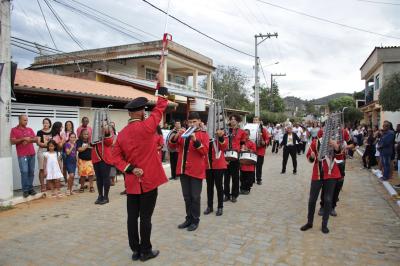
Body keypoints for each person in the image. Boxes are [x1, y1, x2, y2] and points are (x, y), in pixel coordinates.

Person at [112, 64, 168, 262]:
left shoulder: (121, 134)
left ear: (129, 113)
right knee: (146, 218)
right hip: (149, 181)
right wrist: (162, 85)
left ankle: (135, 250)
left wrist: (129, 168)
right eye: (144, 110)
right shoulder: (147, 127)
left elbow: (114, 157)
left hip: (132, 182)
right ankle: (146, 251)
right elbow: (161, 107)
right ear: (142, 111)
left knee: (131, 218)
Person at [169, 112, 209, 231]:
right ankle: (188, 218)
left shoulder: (203, 134)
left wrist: (196, 140)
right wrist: (176, 137)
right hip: (183, 170)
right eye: (190, 122)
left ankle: (195, 220)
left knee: (195, 196)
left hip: (196, 171)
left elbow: (205, 152)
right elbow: (172, 147)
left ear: (199, 122)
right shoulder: (183, 134)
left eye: (194, 122)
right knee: (187, 196)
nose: (191, 124)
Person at [300, 129, 342, 234]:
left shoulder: (334, 142)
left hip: (331, 174)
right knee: (312, 199)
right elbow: (310, 158)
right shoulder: (315, 142)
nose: (326, 134)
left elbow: (340, 157)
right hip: (317, 173)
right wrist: (312, 157)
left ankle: (324, 224)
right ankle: (309, 222)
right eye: (324, 133)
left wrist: (336, 147)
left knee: (328, 200)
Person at [10, 115, 38, 198]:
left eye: (27, 120)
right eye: (24, 120)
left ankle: (30, 188)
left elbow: (36, 139)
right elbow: (12, 141)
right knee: (24, 172)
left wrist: (29, 139)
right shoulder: (14, 130)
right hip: (22, 155)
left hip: (32, 154)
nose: (26, 122)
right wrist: (23, 139)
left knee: (31, 172)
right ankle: (25, 190)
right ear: (19, 120)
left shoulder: (29, 129)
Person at [204, 128, 227, 217]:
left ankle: (220, 207)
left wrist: (220, 137)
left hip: (218, 165)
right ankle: (210, 206)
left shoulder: (223, 136)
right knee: (209, 187)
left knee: (219, 187)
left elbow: (224, 147)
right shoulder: (206, 135)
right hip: (208, 164)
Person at [224, 114, 246, 203]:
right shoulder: (226, 130)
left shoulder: (241, 132)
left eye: (234, 119)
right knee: (226, 177)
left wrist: (243, 148)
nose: (232, 121)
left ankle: (234, 195)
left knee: (235, 177)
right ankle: (226, 194)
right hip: (226, 156)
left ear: (238, 121)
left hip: (235, 156)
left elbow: (243, 143)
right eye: (231, 119)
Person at [91, 122, 114, 205]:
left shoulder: (109, 133)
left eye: (104, 125)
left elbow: (109, 142)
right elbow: (91, 143)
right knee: (98, 178)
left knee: (105, 177)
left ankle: (106, 197)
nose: (102, 127)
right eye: (100, 125)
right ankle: (100, 195)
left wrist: (106, 132)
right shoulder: (94, 134)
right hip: (96, 157)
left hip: (105, 158)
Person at [36, 118, 52, 192]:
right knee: (42, 169)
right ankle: (42, 186)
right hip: (42, 151)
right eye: (44, 123)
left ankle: (48, 184)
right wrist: (45, 144)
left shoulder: (52, 131)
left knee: (50, 168)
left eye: (47, 123)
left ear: (49, 124)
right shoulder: (39, 132)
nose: (45, 124)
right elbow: (38, 143)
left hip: (50, 151)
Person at [253, 117, 270, 185]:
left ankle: (259, 179)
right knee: (251, 166)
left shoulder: (263, 129)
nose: (254, 121)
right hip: (252, 150)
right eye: (254, 120)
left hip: (260, 151)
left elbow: (267, 138)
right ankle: (252, 179)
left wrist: (265, 142)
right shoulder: (250, 129)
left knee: (259, 166)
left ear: (259, 121)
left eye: (256, 120)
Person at [239, 129, 256, 194]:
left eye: (247, 134)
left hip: (250, 164)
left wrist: (248, 149)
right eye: (244, 134)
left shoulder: (252, 142)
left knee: (249, 178)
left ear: (249, 135)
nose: (245, 135)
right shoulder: (241, 142)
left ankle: (247, 189)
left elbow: (254, 151)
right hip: (242, 163)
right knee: (242, 177)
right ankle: (242, 188)